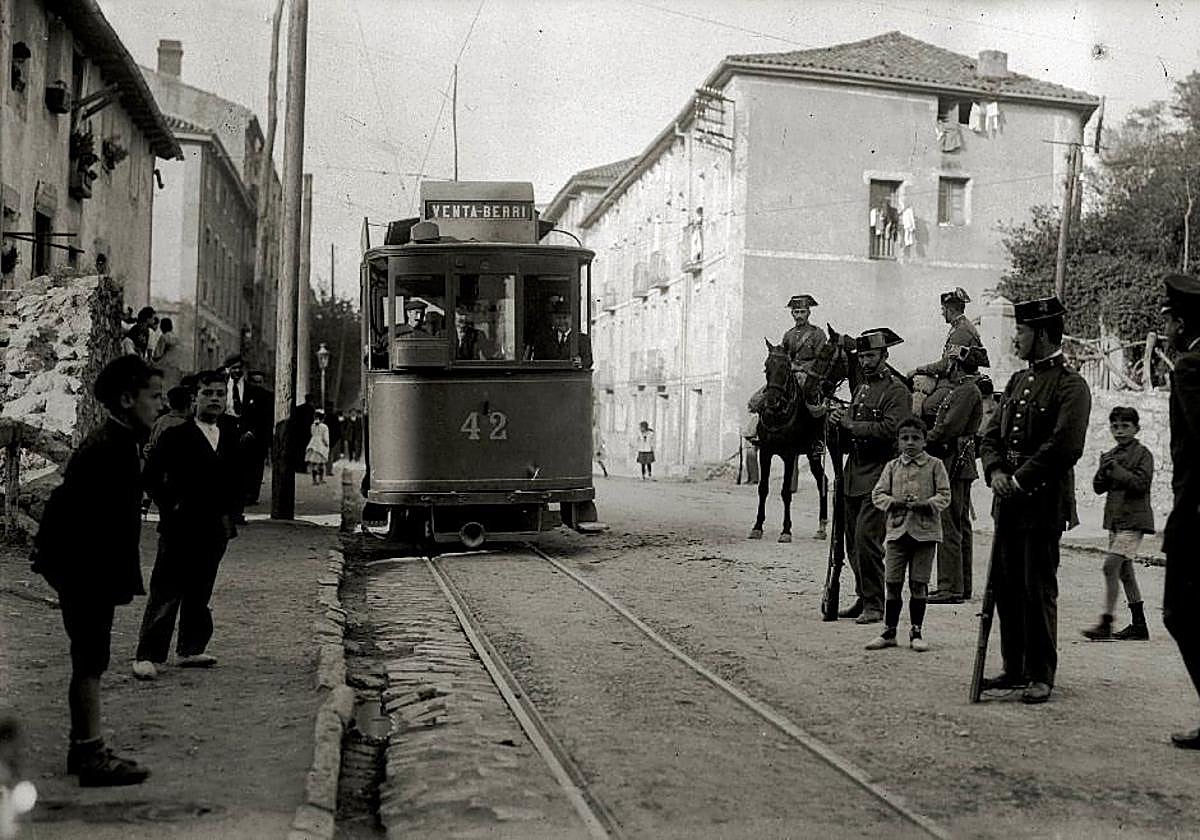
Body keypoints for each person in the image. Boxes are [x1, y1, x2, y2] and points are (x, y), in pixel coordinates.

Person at [31, 355, 163, 786]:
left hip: (85, 568)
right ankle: (90, 754)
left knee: (91, 658)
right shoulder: (110, 449)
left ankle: (84, 747)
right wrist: (83, 577)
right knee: (89, 660)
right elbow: (77, 517)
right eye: (154, 396)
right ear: (127, 400)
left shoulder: (120, 443)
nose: (159, 405)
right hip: (84, 569)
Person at [978, 295, 1091, 705]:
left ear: (1042, 333)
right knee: (1007, 586)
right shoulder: (1017, 382)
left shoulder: (1071, 385)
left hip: (1041, 503)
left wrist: (1019, 480)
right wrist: (994, 471)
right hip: (1007, 500)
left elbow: (1065, 446)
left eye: (1022, 332)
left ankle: (1041, 673)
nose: (1016, 339)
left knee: (1036, 587)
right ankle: (1015, 667)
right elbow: (990, 435)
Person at [133, 370, 241, 681]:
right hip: (180, 526)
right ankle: (148, 655)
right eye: (208, 393)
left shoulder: (230, 435)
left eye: (220, 394)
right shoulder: (176, 435)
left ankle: (190, 649)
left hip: (215, 527)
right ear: (194, 398)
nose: (215, 399)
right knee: (167, 589)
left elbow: (235, 480)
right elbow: (150, 477)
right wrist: (171, 505)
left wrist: (231, 514)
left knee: (201, 588)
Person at [829, 328, 912, 624]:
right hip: (854, 473)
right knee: (852, 541)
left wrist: (850, 425)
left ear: (884, 356)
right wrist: (838, 423)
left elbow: (892, 431)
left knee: (867, 539)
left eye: (870, 356)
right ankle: (864, 596)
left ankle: (877, 604)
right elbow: (851, 429)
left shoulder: (897, 391)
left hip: (881, 473)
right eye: (861, 356)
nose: (864, 362)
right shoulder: (861, 390)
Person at [867, 417, 951, 651]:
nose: (910, 442)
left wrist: (927, 504)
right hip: (897, 532)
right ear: (898, 441)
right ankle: (889, 632)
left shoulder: (935, 465)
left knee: (918, 583)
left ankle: (916, 632)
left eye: (916, 438)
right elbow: (878, 494)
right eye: (905, 438)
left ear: (924, 441)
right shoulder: (892, 467)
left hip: (925, 534)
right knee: (892, 581)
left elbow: (944, 495)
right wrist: (894, 502)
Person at [1159, 274, 1200, 749]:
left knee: (1180, 614)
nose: (1165, 328)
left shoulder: (1191, 368)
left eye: (1168, 319)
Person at [1082, 406, 1154, 641]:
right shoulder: (1112, 454)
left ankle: (1107, 621)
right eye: (1115, 426)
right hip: (1115, 522)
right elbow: (1098, 487)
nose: (1120, 431)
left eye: (1125, 426)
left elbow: (1141, 484)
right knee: (1125, 572)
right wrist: (1104, 470)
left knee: (1110, 566)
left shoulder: (1143, 454)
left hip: (1133, 521)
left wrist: (1115, 469)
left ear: (1136, 428)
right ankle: (1139, 625)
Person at [924, 345, 989, 604]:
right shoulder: (965, 390)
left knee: (949, 524)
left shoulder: (964, 391)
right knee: (959, 523)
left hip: (954, 461)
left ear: (956, 365)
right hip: (959, 461)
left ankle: (950, 587)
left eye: (950, 362)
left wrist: (922, 439)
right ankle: (960, 585)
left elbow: (948, 427)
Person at [780, 294, 828, 384]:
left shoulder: (817, 333)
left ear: (808, 313)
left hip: (811, 376)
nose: (799, 316)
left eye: (802, 312)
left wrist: (802, 368)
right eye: (796, 312)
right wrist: (790, 365)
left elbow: (822, 359)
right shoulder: (788, 335)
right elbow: (783, 356)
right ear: (792, 314)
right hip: (790, 374)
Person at [152, 317, 181, 386]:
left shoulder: (164, 337)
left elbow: (158, 354)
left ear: (163, 326)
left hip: (164, 367)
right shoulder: (176, 338)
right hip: (175, 367)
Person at [305, 409, 331, 485]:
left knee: (314, 464)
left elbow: (312, 434)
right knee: (321, 463)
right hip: (320, 445)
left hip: (313, 444)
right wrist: (327, 444)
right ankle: (321, 479)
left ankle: (314, 480)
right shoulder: (324, 427)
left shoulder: (313, 425)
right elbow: (325, 438)